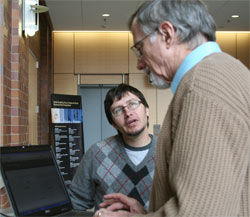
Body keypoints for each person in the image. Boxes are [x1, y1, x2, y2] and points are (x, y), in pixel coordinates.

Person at [94, 0, 250, 216]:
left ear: (167, 34)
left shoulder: (203, 84)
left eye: (140, 48)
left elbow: (202, 212)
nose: (139, 64)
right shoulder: (224, 71)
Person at [68, 84, 157, 211]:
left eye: (132, 104)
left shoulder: (169, 151)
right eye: (118, 110)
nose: (128, 113)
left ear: (146, 109)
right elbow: (76, 203)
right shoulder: (96, 153)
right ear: (113, 123)